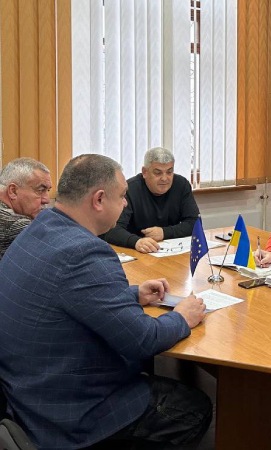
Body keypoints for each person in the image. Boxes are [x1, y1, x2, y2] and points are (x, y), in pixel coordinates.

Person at [0, 154, 212, 449]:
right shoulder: (86, 252)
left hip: (23, 392)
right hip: (68, 412)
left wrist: (133, 295)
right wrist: (182, 317)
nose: (125, 203)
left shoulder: (41, 227)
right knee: (192, 409)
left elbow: (67, 295)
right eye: (122, 196)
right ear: (99, 199)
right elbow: (143, 340)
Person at [103, 147, 200, 253]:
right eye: (158, 173)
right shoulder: (129, 189)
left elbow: (195, 223)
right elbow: (112, 229)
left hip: (172, 250)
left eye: (169, 172)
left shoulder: (181, 185)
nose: (164, 178)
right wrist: (136, 241)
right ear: (145, 172)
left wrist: (165, 232)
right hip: (137, 251)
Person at [0, 157, 52, 259]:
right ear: (13, 191)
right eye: (40, 190)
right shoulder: (15, 225)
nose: (46, 200)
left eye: (48, 190)